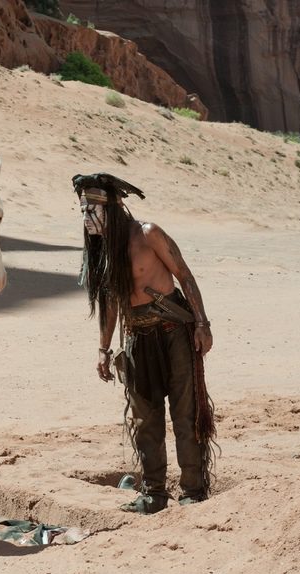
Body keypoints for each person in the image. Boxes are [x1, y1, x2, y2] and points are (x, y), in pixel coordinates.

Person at [73, 172, 217, 515]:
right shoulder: (101, 251)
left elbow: (184, 274)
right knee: (145, 420)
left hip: (174, 332)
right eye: (82, 210)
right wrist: (103, 349)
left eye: (92, 209)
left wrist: (202, 323)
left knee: (186, 413)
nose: (86, 217)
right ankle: (153, 495)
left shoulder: (148, 233)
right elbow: (109, 304)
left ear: (113, 207)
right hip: (136, 338)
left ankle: (193, 491)